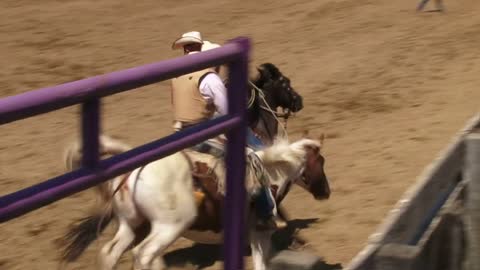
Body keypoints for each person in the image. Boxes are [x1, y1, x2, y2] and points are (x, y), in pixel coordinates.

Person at [171, 31, 286, 230]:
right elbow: (229, 113)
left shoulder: (176, 75)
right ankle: (265, 214)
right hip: (202, 136)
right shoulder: (209, 79)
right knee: (252, 160)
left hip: (179, 133)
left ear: (184, 49)